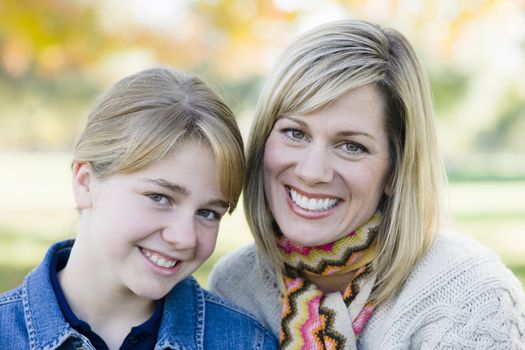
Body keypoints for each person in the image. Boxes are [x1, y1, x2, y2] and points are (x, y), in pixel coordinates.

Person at [208, 19, 525, 349]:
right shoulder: (236, 285)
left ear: (396, 169)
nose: (312, 172)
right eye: (295, 133)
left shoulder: (469, 295)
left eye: (351, 146)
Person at [0, 67, 278, 349]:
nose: (185, 238)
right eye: (160, 198)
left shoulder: (248, 342)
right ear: (85, 184)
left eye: (208, 213)